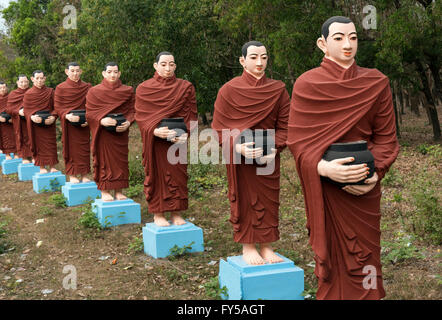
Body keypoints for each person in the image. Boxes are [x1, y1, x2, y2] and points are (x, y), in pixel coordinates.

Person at [287, 16, 399, 300]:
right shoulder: (307, 84)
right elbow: (298, 142)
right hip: (327, 187)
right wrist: (323, 168)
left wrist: (375, 175)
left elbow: (386, 139)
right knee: (333, 262)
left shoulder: (376, 82)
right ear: (322, 44)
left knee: (367, 255)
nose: (347, 44)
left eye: (353, 37)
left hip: (364, 186)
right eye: (338, 38)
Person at [211, 41, 290, 265]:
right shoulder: (228, 90)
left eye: (264, 57)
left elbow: (286, 126)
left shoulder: (278, 90)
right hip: (241, 158)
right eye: (254, 57)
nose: (259, 62)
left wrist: (275, 146)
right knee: (245, 200)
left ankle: (267, 246)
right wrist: (236, 146)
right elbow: (218, 128)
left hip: (268, 156)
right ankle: (248, 246)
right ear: (242, 60)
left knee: (269, 200)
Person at [135, 51, 198, 227]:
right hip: (155, 143)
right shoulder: (144, 88)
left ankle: (176, 212)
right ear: (156, 66)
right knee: (156, 175)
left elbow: (191, 115)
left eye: (171, 64)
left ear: (175, 66)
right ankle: (158, 213)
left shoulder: (185, 88)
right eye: (163, 64)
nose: (168, 68)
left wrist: (187, 134)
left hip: (177, 142)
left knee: (178, 176)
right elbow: (141, 117)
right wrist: (154, 131)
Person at [86, 62, 135, 201]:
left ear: (119, 73)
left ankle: (119, 191)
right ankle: (105, 190)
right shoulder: (94, 91)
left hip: (120, 132)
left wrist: (128, 122)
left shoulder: (127, 91)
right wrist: (101, 120)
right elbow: (90, 113)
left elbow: (133, 110)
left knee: (120, 161)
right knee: (104, 161)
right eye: (109, 72)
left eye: (115, 72)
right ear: (104, 73)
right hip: (103, 134)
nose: (112, 75)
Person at [54, 62, 92, 183]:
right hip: (69, 124)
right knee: (70, 149)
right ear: (67, 72)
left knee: (84, 149)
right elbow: (58, 107)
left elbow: (92, 105)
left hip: (84, 123)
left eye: (77, 70)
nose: (75, 73)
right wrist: (67, 115)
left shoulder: (87, 87)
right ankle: (72, 174)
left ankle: (85, 173)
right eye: (72, 71)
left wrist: (89, 119)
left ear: (81, 71)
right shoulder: (61, 88)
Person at [23, 70, 59, 173]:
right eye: (37, 78)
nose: (39, 80)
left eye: (41, 78)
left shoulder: (50, 92)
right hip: (36, 126)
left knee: (51, 144)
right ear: (32, 79)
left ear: (45, 79)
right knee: (38, 145)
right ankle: (42, 167)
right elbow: (26, 110)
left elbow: (56, 107)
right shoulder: (28, 94)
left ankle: (52, 166)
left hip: (49, 123)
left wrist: (53, 117)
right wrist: (32, 117)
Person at [5, 75, 32, 163]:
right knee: (22, 138)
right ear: (17, 83)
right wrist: (18, 111)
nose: (24, 84)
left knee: (32, 138)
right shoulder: (13, 94)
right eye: (21, 82)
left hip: (32, 121)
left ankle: (34, 156)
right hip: (19, 122)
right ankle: (24, 157)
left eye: (25, 82)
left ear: (29, 82)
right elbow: (8, 109)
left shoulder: (32, 92)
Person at [0, 81, 18, 159]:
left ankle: (16, 153)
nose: (3, 89)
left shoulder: (11, 97)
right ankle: (7, 154)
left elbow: (15, 108)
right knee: (4, 138)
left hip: (11, 122)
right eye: (1, 88)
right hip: (2, 124)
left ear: (7, 88)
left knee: (14, 137)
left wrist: (12, 118)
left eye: (4, 87)